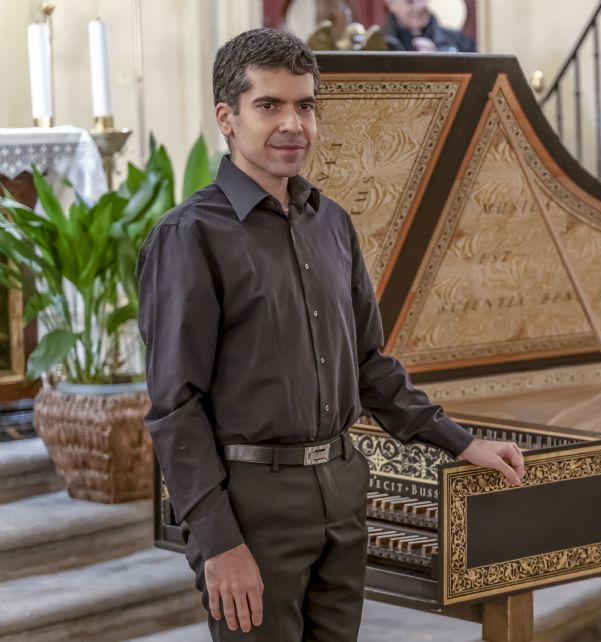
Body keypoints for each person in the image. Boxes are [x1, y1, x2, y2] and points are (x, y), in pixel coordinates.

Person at [137, 28, 523, 642]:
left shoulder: (332, 223)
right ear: (227, 118)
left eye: (306, 106)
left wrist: (461, 442)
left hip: (341, 492)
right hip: (252, 505)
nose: (293, 124)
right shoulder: (189, 235)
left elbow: (370, 365)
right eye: (269, 105)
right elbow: (175, 408)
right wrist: (217, 542)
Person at [383, 0, 475, 53]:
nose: (419, 6)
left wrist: (439, 59)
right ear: (391, 3)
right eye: (410, 1)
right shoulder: (380, 44)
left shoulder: (460, 41)